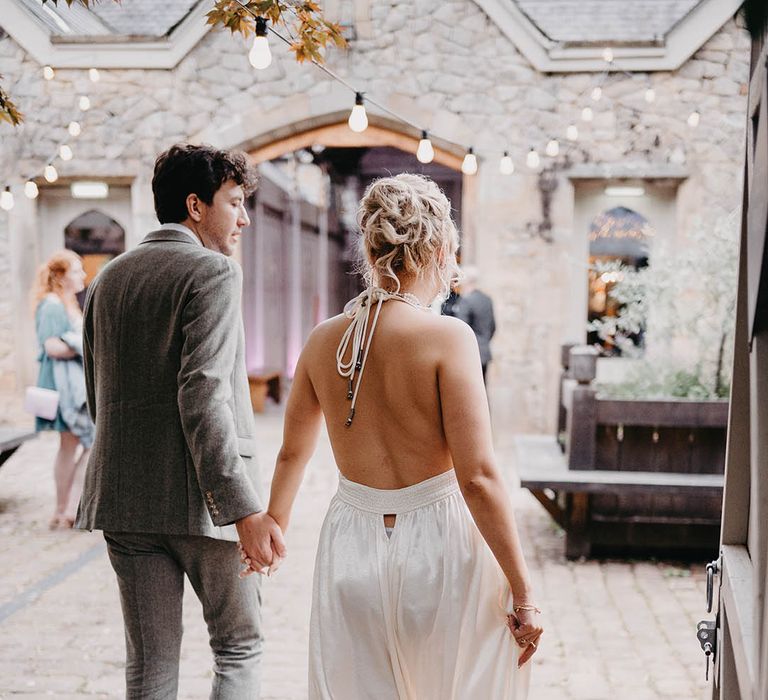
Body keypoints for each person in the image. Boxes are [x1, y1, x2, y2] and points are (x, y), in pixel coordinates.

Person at [246, 174, 542, 698]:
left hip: (349, 544)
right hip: (439, 545)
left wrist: (275, 523)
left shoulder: (322, 340)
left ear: (371, 246)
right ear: (437, 247)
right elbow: (477, 477)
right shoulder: (448, 337)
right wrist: (523, 592)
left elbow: (293, 451)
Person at [75, 144, 285, 699]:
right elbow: (204, 393)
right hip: (204, 502)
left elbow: (100, 394)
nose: (243, 218)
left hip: (124, 499)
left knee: (149, 665)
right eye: (234, 203)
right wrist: (243, 510)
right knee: (239, 646)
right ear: (195, 205)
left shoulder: (107, 280)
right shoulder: (214, 272)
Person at [32, 250, 94, 530]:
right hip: (62, 387)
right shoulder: (52, 304)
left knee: (75, 445)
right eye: (76, 270)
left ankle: (66, 509)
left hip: (72, 384)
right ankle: (66, 508)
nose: (82, 275)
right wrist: (83, 346)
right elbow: (51, 347)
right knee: (79, 444)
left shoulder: (67, 303)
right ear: (60, 276)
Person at [449, 265, 497, 383]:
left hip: (470, 354)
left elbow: (461, 330)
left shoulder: (466, 301)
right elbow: (493, 327)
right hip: (484, 352)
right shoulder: (487, 299)